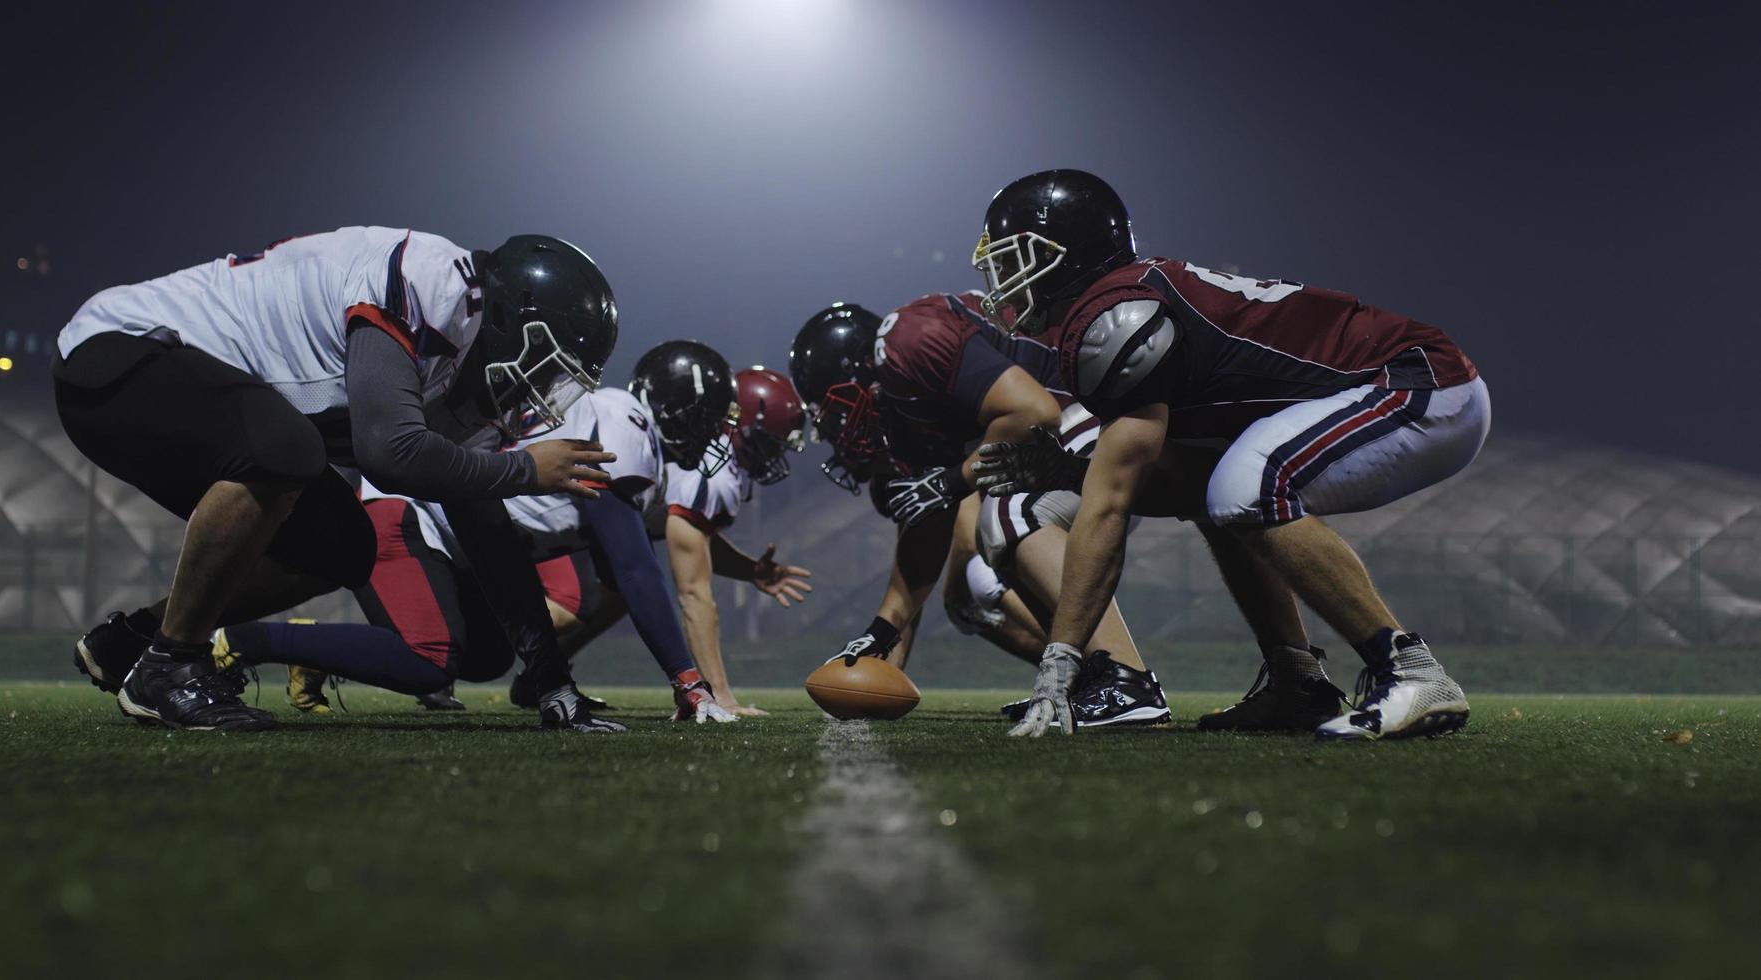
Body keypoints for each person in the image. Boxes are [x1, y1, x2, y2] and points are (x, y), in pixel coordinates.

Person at [976, 170, 1488, 740]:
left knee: (1247, 484)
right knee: (1222, 490)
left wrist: (1062, 658)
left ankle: (1411, 671)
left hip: (1418, 382)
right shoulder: (1128, 301)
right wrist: (1074, 470)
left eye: (1014, 258)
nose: (1004, 279)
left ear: (1066, 255)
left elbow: (1108, 508)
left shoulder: (1115, 320)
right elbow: (1174, 484)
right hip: (1391, 384)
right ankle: (1298, 683)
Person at [57, 228, 618, 731]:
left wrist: (551, 680)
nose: (543, 392)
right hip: (119, 353)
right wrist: (524, 469)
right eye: (547, 363)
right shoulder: (424, 282)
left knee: (344, 544)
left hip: (178, 385)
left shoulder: (460, 365)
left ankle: (133, 643)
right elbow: (389, 452)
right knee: (287, 452)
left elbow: (483, 522)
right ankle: (172, 663)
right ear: (511, 321)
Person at [226, 340, 747, 725]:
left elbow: (619, 574)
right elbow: (636, 571)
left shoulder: (634, 443)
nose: (716, 435)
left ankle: (309, 646)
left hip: (463, 535)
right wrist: (688, 682)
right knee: (430, 658)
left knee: (489, 654)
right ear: (677, 408)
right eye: (709, 419)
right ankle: (241, 640)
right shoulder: (624, 425)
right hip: (412, 512)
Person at [789, 298, 1169, 728]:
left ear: (864, 373)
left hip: (1095, 409)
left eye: (836, 409)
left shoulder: (907, 339)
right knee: (1000, 529)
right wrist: (882, 630)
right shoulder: (902, 422)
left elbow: (1034, 411)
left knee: (1009, 513)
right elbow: (925, 536)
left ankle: (1126, 679)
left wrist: (951, 481)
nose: (838, 428)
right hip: (1063, 440)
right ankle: (1091, 678)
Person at [503, 367, 814, 717]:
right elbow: (694, 591)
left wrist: (750, 569)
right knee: (577, 601)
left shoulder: (706, 460)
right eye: (770, 443)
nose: (772, 457)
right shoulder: (713, 473)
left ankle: (540, 674)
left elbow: (689, 535)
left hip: (572, 514)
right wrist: (721, 696)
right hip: (544, 509)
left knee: (618, 592)